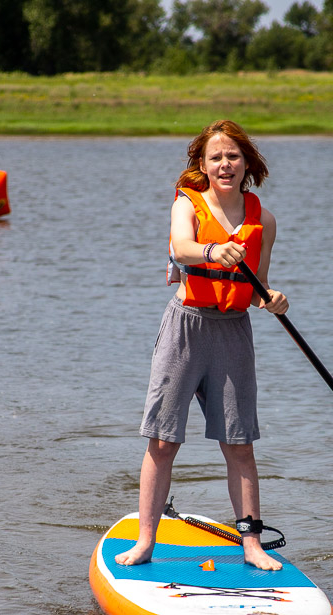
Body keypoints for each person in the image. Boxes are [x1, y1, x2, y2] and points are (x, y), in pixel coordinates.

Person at [115, 120, 288, 571]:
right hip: (185, 330)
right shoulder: (188, 206)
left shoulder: (263, 220)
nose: (225, 164)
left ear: (247, 163)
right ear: (203, 165)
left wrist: (271, 299)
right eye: (216, 158)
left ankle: (251, 544)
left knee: (240, 443)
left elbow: (255, 288)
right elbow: (182, 248)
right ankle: (145, 542)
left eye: (233, 156)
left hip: (232, 333)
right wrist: (213, 252)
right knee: (163, 440)